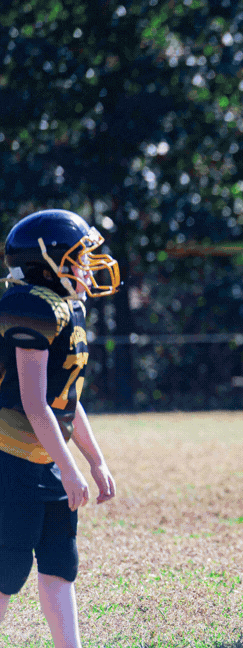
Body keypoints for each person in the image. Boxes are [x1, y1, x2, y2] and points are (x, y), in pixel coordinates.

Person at [0, 209, 119, 648]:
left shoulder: (68, 309)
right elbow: (33, 403)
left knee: (59, 563)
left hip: (45, 457)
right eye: (77, 256)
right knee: (7, 569)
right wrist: (70, 468)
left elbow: (65, 398)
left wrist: (95, 459)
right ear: (46, 262)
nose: (88, 266)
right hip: (11, 458)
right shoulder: (31, 308)